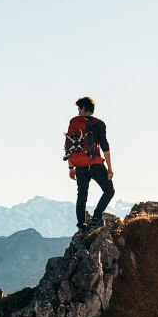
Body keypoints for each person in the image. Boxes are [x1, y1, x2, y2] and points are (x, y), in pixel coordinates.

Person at [64, 96, 115, 232]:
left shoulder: (73, 123)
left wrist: (71, 167)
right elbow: (105, 146)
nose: (78, 112)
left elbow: (69, 145)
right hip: (95, 164)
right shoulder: (99, 123)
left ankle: (81, 224)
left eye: (79, 109)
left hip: (79, 166)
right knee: (109, 191)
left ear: (83, 109)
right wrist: (110, 168)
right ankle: (96, 218)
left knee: (82, 195)